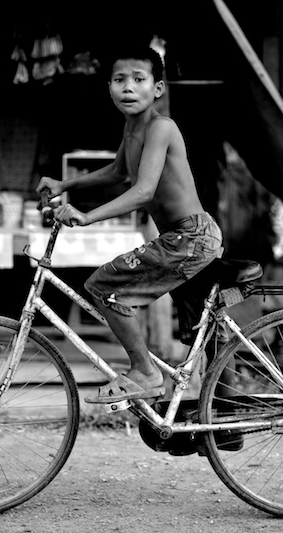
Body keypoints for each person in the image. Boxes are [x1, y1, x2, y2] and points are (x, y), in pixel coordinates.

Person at [36, 45, 223, 404]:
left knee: (104, 285)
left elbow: (143, 190)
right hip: (180, 238)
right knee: (200, 333)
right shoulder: (132, 128)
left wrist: (88, 216)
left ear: (157, 88)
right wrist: (65, 185)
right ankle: (196, 411)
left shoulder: (161, 127)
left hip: (192, 237)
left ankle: (144, 373)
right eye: (120, 80)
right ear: (108, 86)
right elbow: (120, 171)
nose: (128, 88)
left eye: (139, 79)